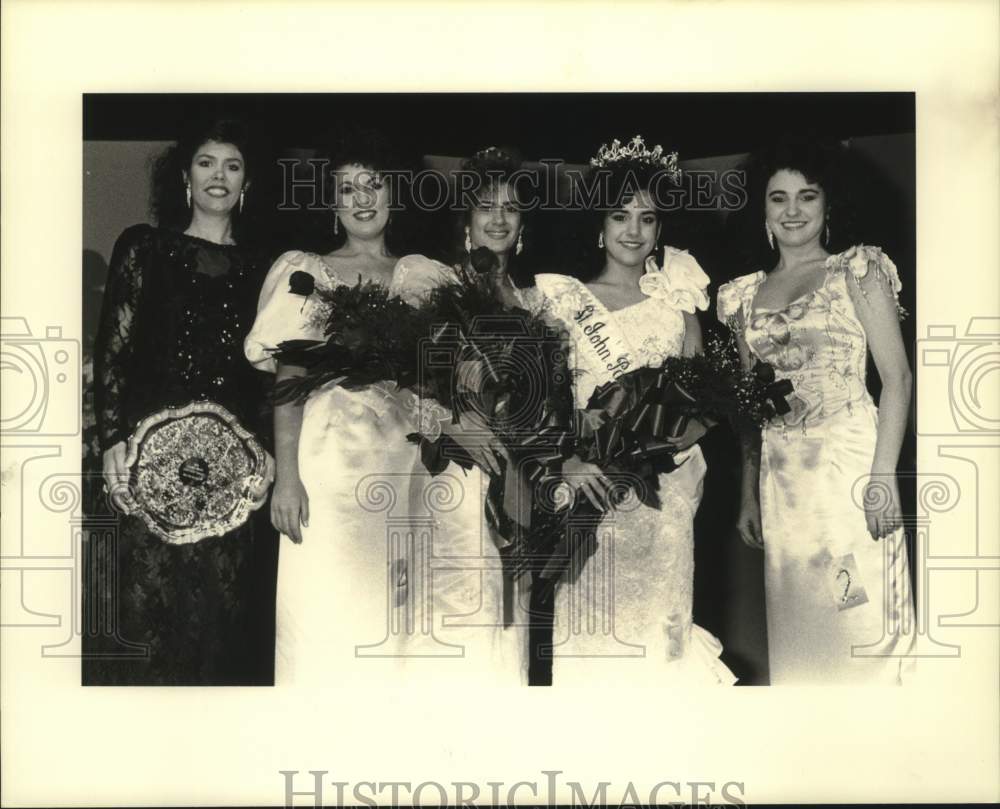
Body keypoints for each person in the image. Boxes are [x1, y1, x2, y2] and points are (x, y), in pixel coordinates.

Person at [246, 130, 523, 685]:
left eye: (374, 185)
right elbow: (290, 376)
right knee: (331, 604)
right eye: (348, 188)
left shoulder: (425, 274)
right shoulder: (304, 272)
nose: (363, 198)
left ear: (394, 195)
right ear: (332, 202)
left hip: (408, 469)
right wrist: (287, 479)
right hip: (328, 466)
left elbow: (448, 380)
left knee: (399, 617)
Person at [533, 137, 737, 685]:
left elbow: (702, 396)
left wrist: (669, 446)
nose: (632, 229)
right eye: (619, 215)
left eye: (646, 218)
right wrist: (569, 463)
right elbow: (540, 403)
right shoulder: (561, 300)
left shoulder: (678, 305)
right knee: (590, 630)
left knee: (658, 632)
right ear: (598, 226)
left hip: (662, 496)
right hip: (589, 491)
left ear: (660, 229)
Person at [717, 138, 916, 684]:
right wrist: (747, 490)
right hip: (784, 486)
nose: (793, 211)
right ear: (762, 210)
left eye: (807, 196)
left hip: (849, 467)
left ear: (828, 206)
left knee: (860, 616)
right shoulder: (742, 297)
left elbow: (897, 379)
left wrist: (884, 477)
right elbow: (749, 406)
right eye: (778, 199)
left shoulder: (857, 270)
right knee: (804, 635)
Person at [88, 118, 275, 685]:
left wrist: (267, 453)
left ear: (248, 185)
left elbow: (270, 377)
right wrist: (113, 441)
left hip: (232, 478)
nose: (219, 175)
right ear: (185, 180)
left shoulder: (267, 270)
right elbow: (114, 352)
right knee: (144, 618)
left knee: (217, 626)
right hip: (144, 466)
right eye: (206, 162)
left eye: (233, 165)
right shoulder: (144, 246)